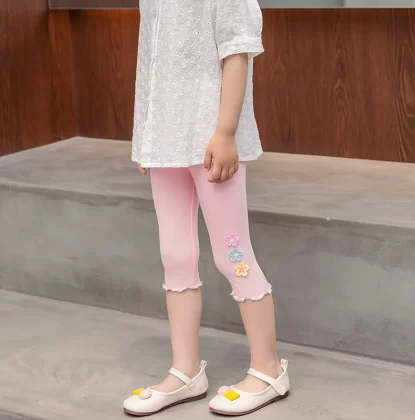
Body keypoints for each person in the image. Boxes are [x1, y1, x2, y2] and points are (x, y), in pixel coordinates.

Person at [123, 0, 290, 416]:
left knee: (233, 255)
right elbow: (150, 60)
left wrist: (226, 133)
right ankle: (185, 372)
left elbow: (238, 50)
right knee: (175, 255)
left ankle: (269, 369)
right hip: (165, 143)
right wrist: (144, 135)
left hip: (212, 141)